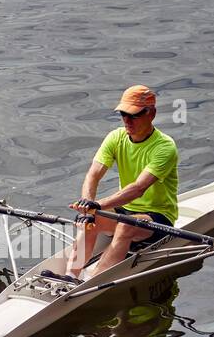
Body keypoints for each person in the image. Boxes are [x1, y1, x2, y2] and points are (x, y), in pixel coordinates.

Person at [60, 84, 179, 281]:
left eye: (134, 115)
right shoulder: (115, 137)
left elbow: (138, 189)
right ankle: (69, 276)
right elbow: (93, 175)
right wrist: (87, 207)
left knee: (124, 225)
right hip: (126, 211)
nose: (127, 120)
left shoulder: (165, 147)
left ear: (152, 114)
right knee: (91, 220)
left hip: (159, 218)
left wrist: (98, 205)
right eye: (123, 114)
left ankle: (92, 282)